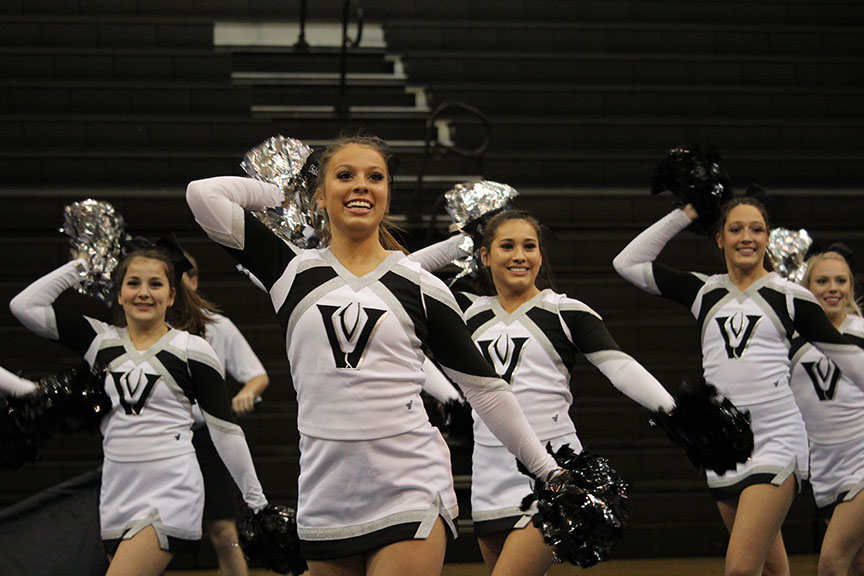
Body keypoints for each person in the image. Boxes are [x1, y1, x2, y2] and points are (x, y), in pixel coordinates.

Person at [186, 134, 560, 576]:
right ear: (321, 195)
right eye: (345, 177)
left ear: (387, 196)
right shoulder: (289, 270)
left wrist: (550, 474)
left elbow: (488, 392)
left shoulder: (421, 285)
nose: (361, 186)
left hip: (409, 485)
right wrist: (289, 191)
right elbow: (203, 194)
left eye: (375, 178)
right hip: (325, 492)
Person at [413, 209, 676, 575]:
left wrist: (674, 410)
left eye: (529, 246)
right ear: (485, 256)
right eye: (507, 246)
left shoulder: (566, 311)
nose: (520, 256)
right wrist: (466, 239)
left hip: (554, 470)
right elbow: (404, 276)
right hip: (488, 477)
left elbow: (620, 367)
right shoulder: (465, 312)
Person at [612, 198, 864, 576]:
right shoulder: (702, 290)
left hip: (778, 439)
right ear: (719, 239)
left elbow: (847, 357)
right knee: (771, 570)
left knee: (740, 569)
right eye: (736, 229)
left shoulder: (790, 296)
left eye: (757, 229)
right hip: (722, 446)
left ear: (767, 238)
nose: (747, 237)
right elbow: (626, 263)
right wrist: (688, 213)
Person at [9, 247, 269, 576]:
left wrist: (257, 502)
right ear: (119, 294)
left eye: (155, 284)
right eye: (133, 283)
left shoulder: (192, 350)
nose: (144, 293)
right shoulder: (99, 341)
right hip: (117, 490)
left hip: (171, 488)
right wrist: (84, 264)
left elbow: (225, 431)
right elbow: (24, 306)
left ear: (172, 295)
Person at [182, 252, 271, 576]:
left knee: (223, 531)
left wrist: (245, 394)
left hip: (207, 437)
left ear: (194, 281)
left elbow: (258, 376)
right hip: (160, 440)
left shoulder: (216, 326)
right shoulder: (145, 328)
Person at [789, 248, 864, 576]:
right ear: (807, 286)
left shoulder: (861, 332)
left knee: (832, 563)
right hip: (824, 471)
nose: (833, 287)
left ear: (851, 286)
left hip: (861, 465)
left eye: (841, 280)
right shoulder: (790, 340)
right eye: (822, 281)